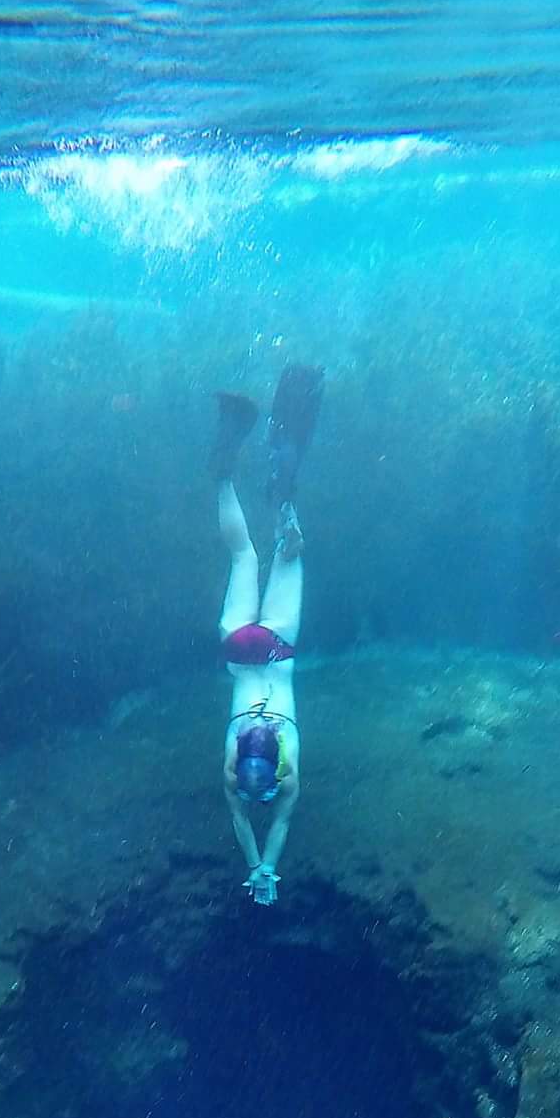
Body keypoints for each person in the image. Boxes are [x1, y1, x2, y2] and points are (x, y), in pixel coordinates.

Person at [209, 365, 324, 906]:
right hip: (240, 646)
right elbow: (250, 827)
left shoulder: (288, 766)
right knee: (242, 553)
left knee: (283, 549)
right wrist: (259, 867)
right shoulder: (233, 771)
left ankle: (284, 485)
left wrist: (265, 867)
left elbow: (271, 825)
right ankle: (225, 464)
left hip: (275, 648)